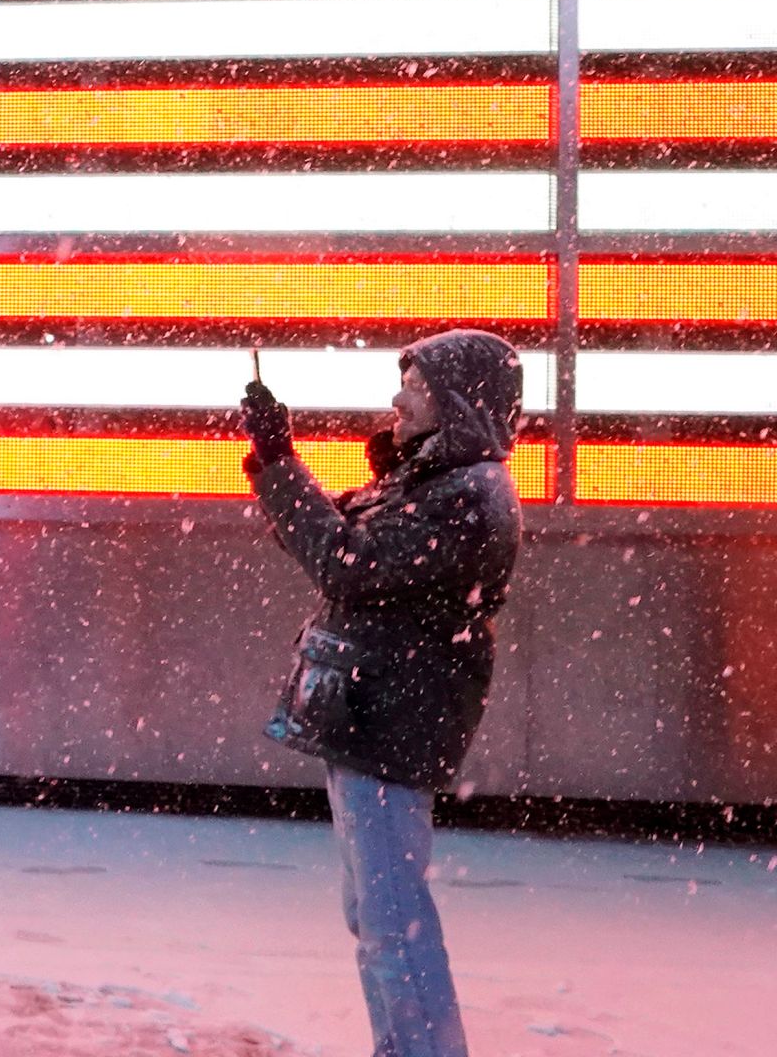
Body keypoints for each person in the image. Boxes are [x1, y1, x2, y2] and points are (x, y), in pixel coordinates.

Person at [239, 330, 525, 1057]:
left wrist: (280, 462)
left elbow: (342, 562)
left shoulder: (466, 495)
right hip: (374, 718)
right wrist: (282, 464)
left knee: (392, 918)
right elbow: (326, 540)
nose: (399, 399)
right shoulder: (431, 483)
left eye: (418, 388)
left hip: (393, 724)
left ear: (460, 404)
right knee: (376, 913)